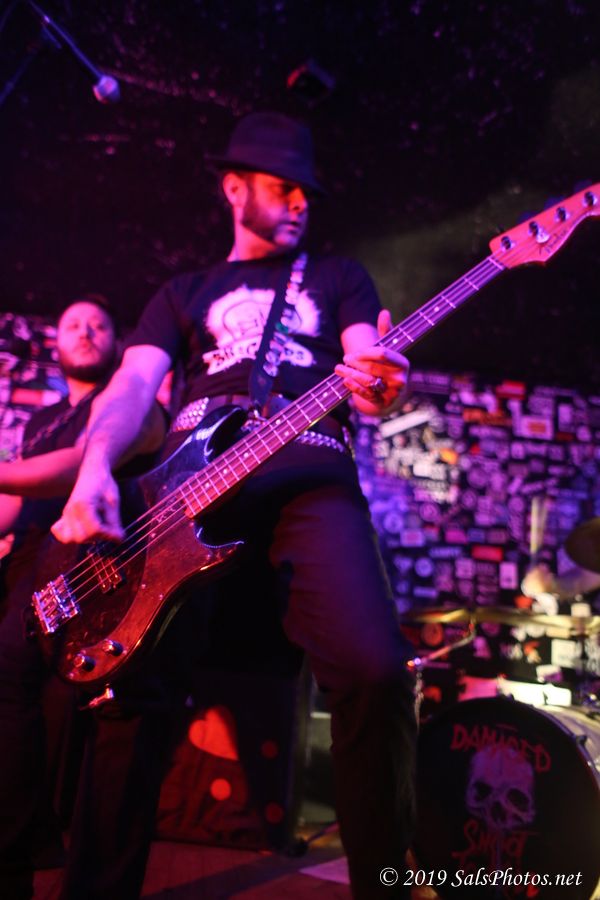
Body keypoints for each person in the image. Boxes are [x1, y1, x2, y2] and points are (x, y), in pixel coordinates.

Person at [51, 112, 417, 899]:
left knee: (375, 670)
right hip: (183, 489)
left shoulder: (339, 276)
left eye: (308, 190)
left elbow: (367, 362)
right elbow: (130, 389)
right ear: (234, 189)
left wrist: (380, 385)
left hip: (309, 470)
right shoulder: (181, 293)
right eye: (282, 186)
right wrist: (95, 468)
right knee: (127, 687)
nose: (301, 201)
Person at [0, 296, 166, 900]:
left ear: (118, 342)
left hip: (82, 561)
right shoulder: (40, 421)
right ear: (56, 343)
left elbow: (80, 466)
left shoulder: (124, 403)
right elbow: (13, 501)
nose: (87, 332)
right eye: (73, 324)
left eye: (99, 324)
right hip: (25, 561)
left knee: (21, 681)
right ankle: (25, 843)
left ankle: (29, 848)